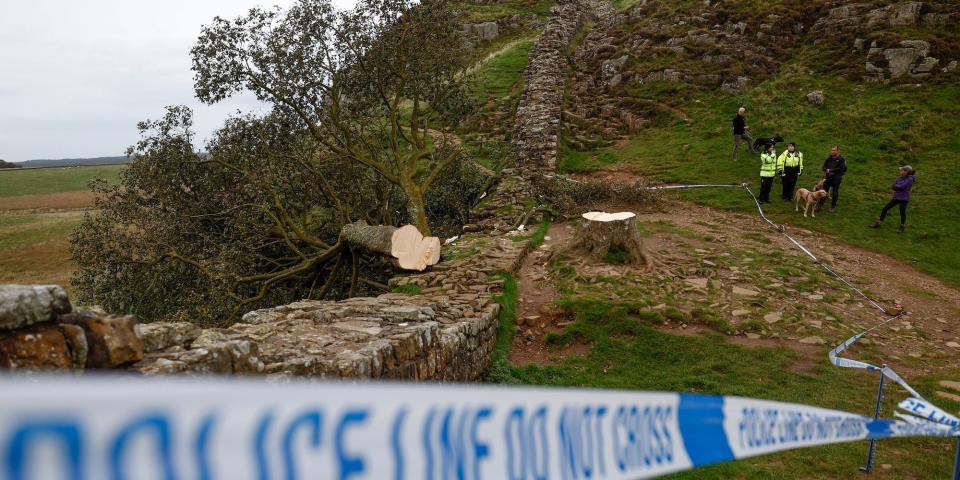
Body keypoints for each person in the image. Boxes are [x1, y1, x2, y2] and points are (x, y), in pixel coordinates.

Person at [870, 165, 915, 233]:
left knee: (902, 212)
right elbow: (893, 185)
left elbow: (903, 186)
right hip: (896, 197)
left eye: (902, 170)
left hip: (904, 198)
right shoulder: (900, 178)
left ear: (906, 171)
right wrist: (897, 187)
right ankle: (878, 223)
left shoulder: (910, 179)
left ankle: (902, 227)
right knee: (885, 208)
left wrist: (897, 186)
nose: (900, 171)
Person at [816, 145, 847, 212]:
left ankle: (832, 207)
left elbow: (841, 169)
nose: (832, 151)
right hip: (828, 178)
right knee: (824, 191)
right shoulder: (828, 158)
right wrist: (826, 170)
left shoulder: (842, 159)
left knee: (835, 192)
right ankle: (819, 206)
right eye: (832, 150)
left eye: (834, 150)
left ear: (838, 151)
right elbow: (823, 167)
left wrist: (831, 171)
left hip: (836, 178)